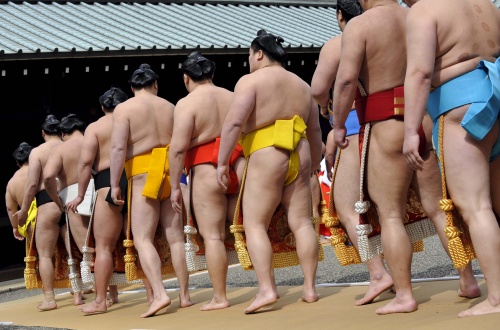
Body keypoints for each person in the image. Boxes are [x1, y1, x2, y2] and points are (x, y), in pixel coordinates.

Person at [332, 0, 479, 315]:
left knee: (390, 215)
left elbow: (344, 81)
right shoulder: (417, 15)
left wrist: (339, 124)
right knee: (439, 208)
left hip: (387, 122)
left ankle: (404, 294)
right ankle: (467, 279)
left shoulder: (361, 25)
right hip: (424, 117)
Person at [403, 0, 500, 317]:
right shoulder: (484, 4)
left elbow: (418, 73)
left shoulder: (424, 10)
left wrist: (410, 131)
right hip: (495, 96)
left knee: (476, 206)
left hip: (461, 105)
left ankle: (497, 297)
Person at [217, 29, 323, 314]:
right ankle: (310, 288)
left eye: (249, 55)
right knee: (301, 222)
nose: (249, 60)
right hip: (299, 150)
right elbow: (315, 130)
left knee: (254, 224)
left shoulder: (250, 81)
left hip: (266, 149)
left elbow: (233, 124)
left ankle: (267, 289)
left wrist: (222, 162)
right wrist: (314, 162)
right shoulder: (302, 85)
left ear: (259, 54)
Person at [311, 0, 394, 306]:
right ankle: (465, 276)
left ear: (340, 15)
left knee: (348, 206)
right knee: (398, 209)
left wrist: (327, 111)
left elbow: (320, 88)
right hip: (401, 120)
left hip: (356, 128)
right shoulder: (398, 27)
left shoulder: (340, 42)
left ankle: (379, 274)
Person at [109, 63, 194, 318]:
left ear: (132, 87)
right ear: (155, 85)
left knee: (143, 238)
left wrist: (114, 184)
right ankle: (185, 294)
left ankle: (159, 293)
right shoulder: (171, 106)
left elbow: (117, 149)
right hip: (171, 172)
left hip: (143, 174)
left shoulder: (124, 109)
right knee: (175, 237)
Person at [169, 52, 245, 311]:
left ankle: (220, 297)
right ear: (212, 74)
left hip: (205, 169)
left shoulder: (187, 103)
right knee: (253, 228)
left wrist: (174, 188)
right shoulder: (232, 96)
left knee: (213, 236)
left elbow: (178, 149)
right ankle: (268, 286)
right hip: (238, 163)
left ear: (186, 78)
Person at [66, 86, 129, 314]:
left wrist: (81, 194)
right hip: (136, 176)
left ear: (103, 107)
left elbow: (84, 164)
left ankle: (101, 301)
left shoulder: (95, 127)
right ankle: (156, 294)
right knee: (142, 240)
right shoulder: (132, 120)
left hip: (105, 180)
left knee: (103, 247)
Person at [15, 114, 64, 311]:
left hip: (47, 203)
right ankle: (78, 293)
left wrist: (25, 210)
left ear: (43, 133)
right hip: (73, 198)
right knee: (78, 248)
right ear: (61, 131)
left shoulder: (38, 152)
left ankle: (50, 298)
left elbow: (33, 184)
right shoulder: (72, 144)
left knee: (44, 255)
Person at [43, 113, 91, 306]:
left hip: (72, 195)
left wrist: (56, 199)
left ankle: (84, 295)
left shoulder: (61, 149)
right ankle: (110, 294)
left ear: (63, 133)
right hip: (98, 188)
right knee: (104, 246)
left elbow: (48, 177)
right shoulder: (91, 140)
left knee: (83, 249)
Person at [6, 142, 34, 241]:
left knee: (41, 255)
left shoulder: (12, 182)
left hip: (30, 223)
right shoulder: (41, 171)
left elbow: (10, 209)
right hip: (50, 214)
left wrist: (15, 226)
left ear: (17, 162)